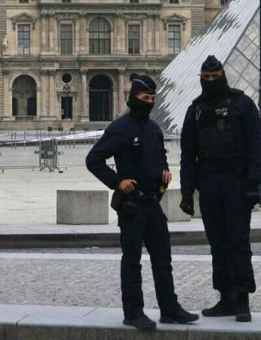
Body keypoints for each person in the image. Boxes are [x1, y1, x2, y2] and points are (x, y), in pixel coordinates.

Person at [86, 75, 198, 331]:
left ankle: (169, 309)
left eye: (152, 99)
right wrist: (117, 182)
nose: (148, 102)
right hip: (132, 205)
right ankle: (133, 311)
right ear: (133, 98)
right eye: (144, 98)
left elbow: (160, 155)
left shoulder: (154, 128)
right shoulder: (120, 127)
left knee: (163, 259)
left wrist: (165, 171)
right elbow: (93, 159)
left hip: (152, 203)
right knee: (132, 260)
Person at [179, 55, 261, 322]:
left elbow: (256, 145)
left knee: (238, 241)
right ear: (201, 79)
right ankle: (225, 296)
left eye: (215, 78)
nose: (211, 82)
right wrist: (186, 192)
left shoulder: (243, 104)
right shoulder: (195, 109)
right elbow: (188, 153)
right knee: (217, 242)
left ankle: (242, 299)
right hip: (209, 183)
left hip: (237, 182)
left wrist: (253, 184)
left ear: (224, 76)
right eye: (206, 79)